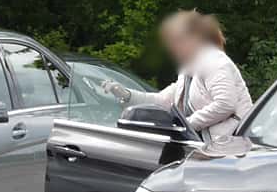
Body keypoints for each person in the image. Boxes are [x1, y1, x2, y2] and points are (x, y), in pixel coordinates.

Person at [100, 10, 253, 140]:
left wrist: (186, 124)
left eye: (177, 41)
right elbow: (161, 100)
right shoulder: (187, 70)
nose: (172, 47)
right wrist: (126, 95)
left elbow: (226, 104)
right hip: (212, 145)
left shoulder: (214, 60)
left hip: (233, 143)